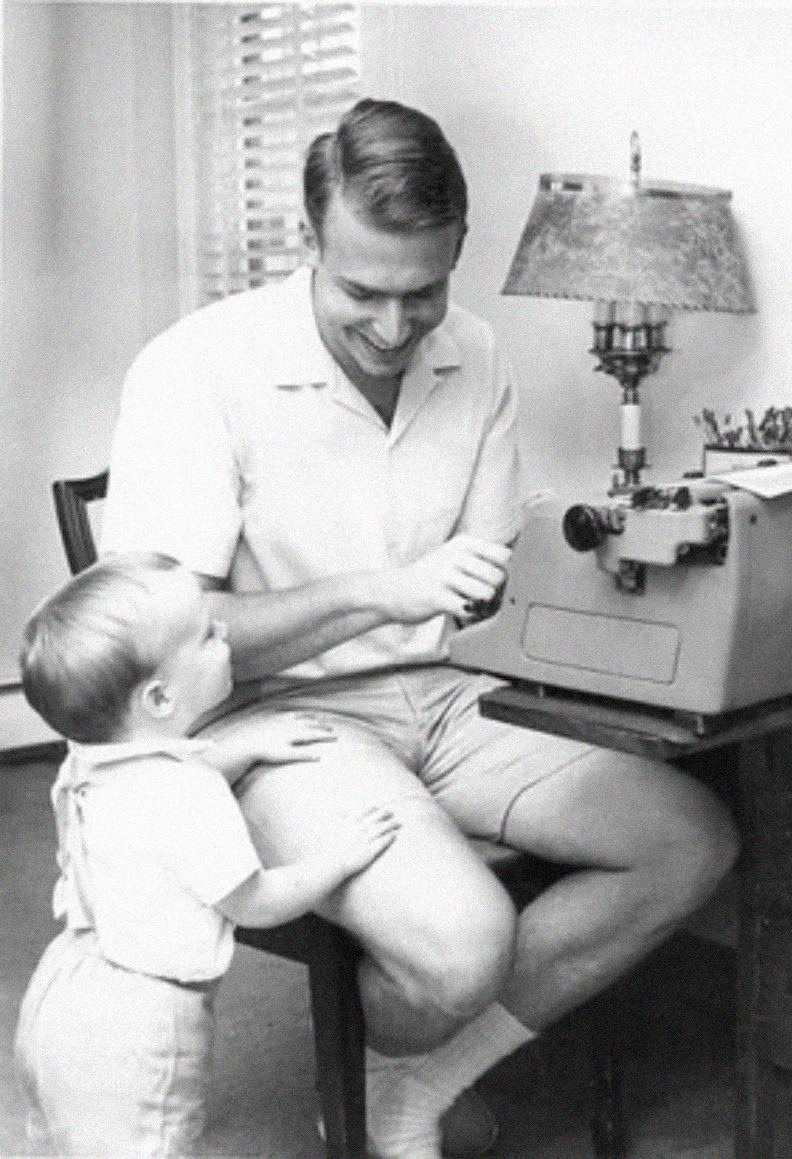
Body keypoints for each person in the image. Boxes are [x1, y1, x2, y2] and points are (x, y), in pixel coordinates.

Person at [100, 98, 740, 1159]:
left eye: (425, 292)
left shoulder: (477, 354)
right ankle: (410, 1027)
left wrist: (602, 573)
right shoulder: (195, 368)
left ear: (459, 254)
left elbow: (483, 590)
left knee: (689, 839)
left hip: (454, 693)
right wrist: (380, 592)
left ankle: (409, 1076)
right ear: (308, 241)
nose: (396, 329)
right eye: (362, 291)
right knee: (459, 949)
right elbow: (159, 647)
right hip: (279, 718)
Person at [14, 555, 399, 1157]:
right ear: (161, 698)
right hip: (143, 1023)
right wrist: (338, 859)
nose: (225, 636)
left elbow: (157, 780)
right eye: (207, 635)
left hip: (64, 991)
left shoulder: (90, 757)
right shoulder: (190, 797)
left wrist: (239, 747)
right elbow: (256, 901)